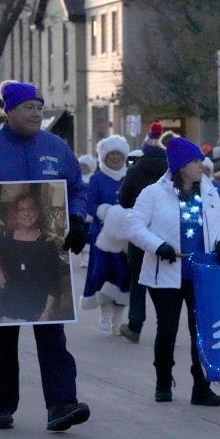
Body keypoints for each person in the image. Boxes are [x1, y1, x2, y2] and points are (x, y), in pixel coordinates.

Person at [0, 80, 90, 431]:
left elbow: (77, 189)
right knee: (0, 333)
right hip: (1, 255)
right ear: (8, 111)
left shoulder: (56, 148)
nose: (37, 113)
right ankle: (2, 403)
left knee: (52, 330)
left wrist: (76, 221)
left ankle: (61, 404)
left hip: (46, 253)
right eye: (29, 107)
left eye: (40, 107)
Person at [127, 136, 220, 406]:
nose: (202, 165)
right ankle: (163, 383)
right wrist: (157, 245)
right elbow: (135, 227)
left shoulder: (209, 191)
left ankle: (202, 385)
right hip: (166, 273)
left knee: (201, 331)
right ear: (181, 165)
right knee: (167, 329)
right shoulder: (153, 193)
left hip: (201, 274)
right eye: (196, 161)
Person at [117, 121, 167, 342]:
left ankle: (135, 326)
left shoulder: (135, 171)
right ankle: (167, 327)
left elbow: (124, 199)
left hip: (140, 233)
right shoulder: (171, 171)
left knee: (137, 280)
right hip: (166, 233)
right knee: (164, 283)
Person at [0, 193, 64, 323]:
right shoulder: (6, 238)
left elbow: (54, 282)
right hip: (8, 310)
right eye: (22, 209)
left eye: (30, 209)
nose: (27, 213)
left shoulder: (47, 243)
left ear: (37, 212)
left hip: (37, 313)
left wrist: (46, 312)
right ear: (16, 214)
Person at [81, 135, 131, 332]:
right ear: (104, 157)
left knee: (123, 276)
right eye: (112, 154)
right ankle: (104, 313)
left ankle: (119, 318)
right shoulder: (97, 179)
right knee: (101, 274)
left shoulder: (130, 177)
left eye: (119, 154)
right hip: (101, 236)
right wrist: (104, 211)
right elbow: (89, 204)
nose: (116, 157)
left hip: (126, 239)